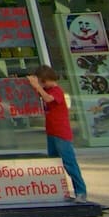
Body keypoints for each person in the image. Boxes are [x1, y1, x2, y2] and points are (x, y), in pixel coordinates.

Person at [26, 65, 87, 204]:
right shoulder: (46, 89)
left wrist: (37, 86)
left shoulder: (57, 91)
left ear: (45, 80)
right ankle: (58, 189)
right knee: (54, 162)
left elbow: (48, 99)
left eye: (41, 82)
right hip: (52, 132)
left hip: (61, 133)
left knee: (69, 162)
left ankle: (81, 191)